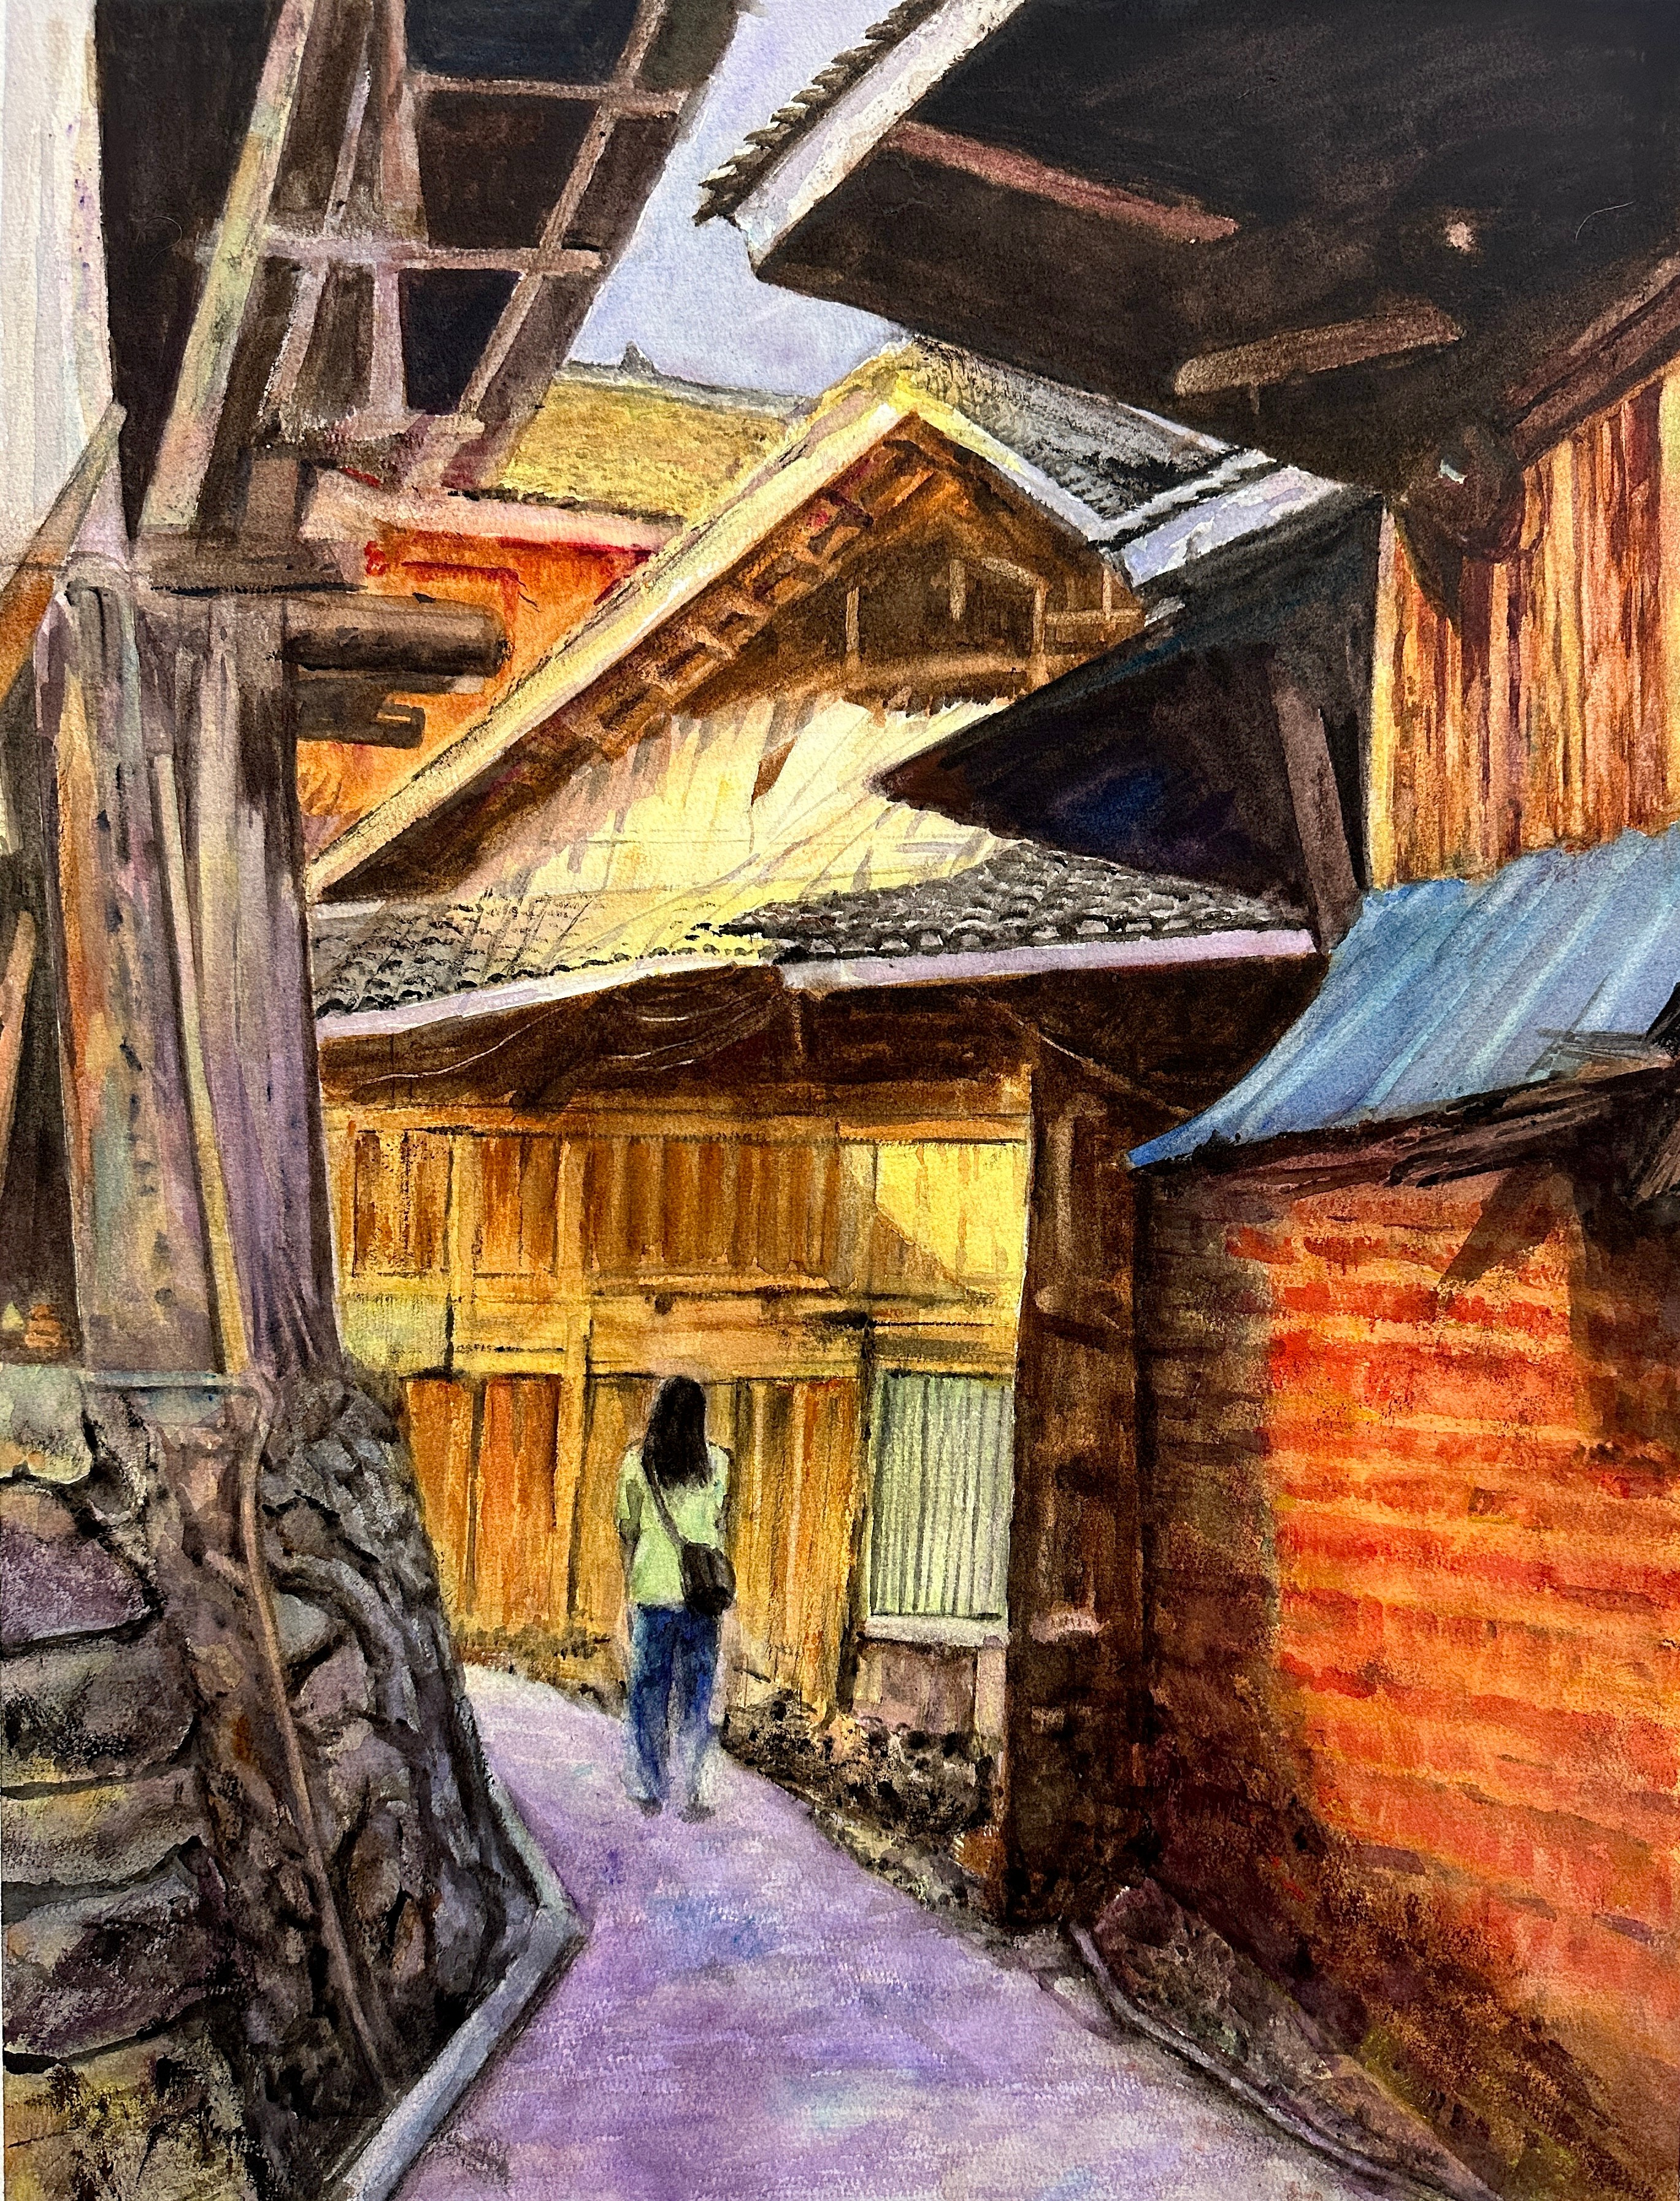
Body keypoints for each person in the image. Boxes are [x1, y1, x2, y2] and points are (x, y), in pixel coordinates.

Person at [615, 1376, 731, 1819]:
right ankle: (695, 1789)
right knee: (697, 1695)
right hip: (701, 1598)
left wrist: (631, 1586)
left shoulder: (636, 1465)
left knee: (648, 1693)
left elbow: (627, 1529)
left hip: (652, 1594)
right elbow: (717, 1525)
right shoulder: (718, 1465)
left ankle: (648, 1785)